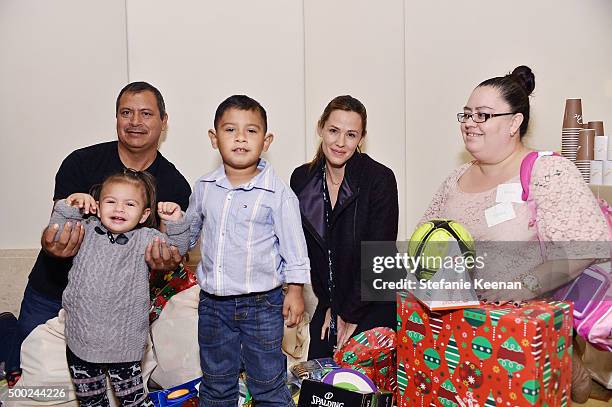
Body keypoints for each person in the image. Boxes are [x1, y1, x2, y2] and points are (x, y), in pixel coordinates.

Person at [420, 65, 608, 403]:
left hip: (522, 341)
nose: (469, 122)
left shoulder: (547, 171)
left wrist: (522, 285)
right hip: (459, 336)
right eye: (466, 114)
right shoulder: (456, 179)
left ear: (514, 122)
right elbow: (428, 241)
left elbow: (583, 246)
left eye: (483, 115)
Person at [4, 81, 191, 386]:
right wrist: (55, 242)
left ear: (163, 122)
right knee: (28, 375)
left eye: (146, 113)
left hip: (114, 309)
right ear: (116, 118)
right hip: (52, 291)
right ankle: (7, 330)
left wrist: (166, 260)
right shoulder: (81, 163)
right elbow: (55, 227)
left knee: (100, 385)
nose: (135, 122)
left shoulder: (174, 185)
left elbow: (172, 248)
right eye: (126, 112)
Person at [186, 95, 310, 407]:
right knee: (216, 384)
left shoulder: (278, 194)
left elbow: (294, 247)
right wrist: (172, 227)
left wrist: (295, 291)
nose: (240, 137)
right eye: (230, 130)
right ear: (214, 139)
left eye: (251, 131)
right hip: (213, 305)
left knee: (268, 382)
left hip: (262, 305)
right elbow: (189, 234)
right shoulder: (204, 188)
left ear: (266, 140)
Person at [50, 169, 190, 407]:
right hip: (80, 339)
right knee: (91, 401)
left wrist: (175, 222)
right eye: (111, 201)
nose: (119, 209)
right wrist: (69, 205)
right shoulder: (84, 229)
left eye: (130, 204)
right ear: (97, 204)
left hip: (124, 344)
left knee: (133, 400)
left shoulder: (145, 238)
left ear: (144, 214)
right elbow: (57, 236)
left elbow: (176, 248)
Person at [290, 95, 399, 359]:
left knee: (359, 385)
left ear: (361, 138)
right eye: (333, 131)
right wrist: (331, 307)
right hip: (331, 303)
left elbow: (379, 257)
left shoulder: (379, 179)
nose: (340, 143)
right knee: (319, 385)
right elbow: (302, 249)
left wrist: (348, 313)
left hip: (372, 299)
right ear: (320, 128)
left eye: (351, 134)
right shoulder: (302, 179)